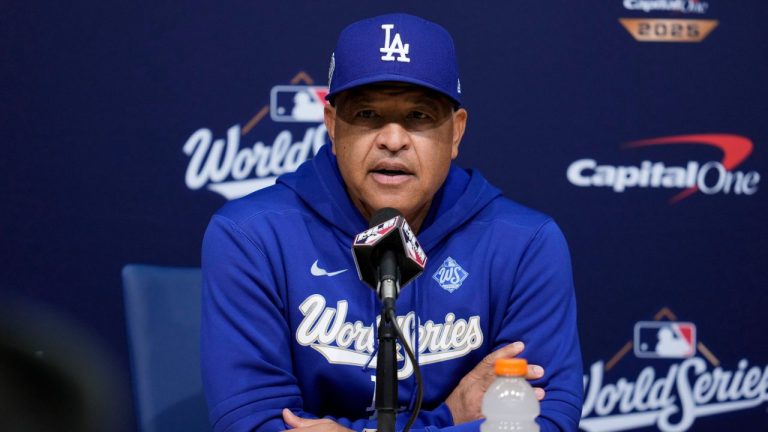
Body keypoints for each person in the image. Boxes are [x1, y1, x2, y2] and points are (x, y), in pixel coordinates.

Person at [201, 13, 583, 432]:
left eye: (419, 116)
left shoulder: (524, 244)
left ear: (456, 133)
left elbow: (545, 421)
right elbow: (252, 423)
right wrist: (449, 418)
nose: (393, 139)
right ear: (332, 127)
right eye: (367, 114)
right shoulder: (252, 236)